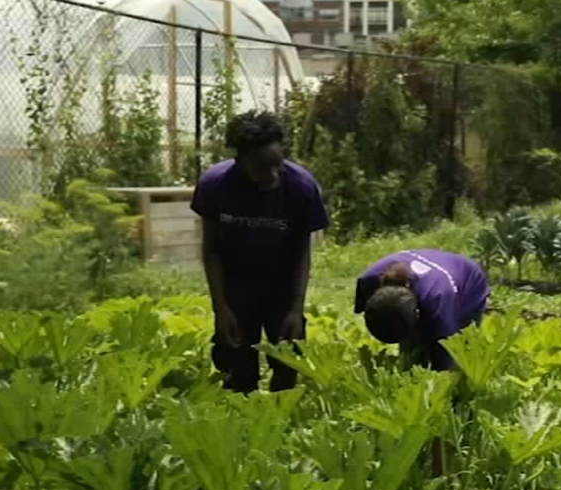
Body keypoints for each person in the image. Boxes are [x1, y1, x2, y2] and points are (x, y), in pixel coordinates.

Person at [191, 110, 330, 394]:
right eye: (263, 167)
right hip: (236, 290)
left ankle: (282, 427)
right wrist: (221, 309)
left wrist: (295, 308)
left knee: (287, 366)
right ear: (240, 160)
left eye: (277, 165)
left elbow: (303, 251)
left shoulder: (301, 187)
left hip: (282, 288)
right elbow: (211, 250)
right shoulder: (215, 185)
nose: (273, 175)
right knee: (237, 371)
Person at [353, 249, 491, 372]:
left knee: (460, 352)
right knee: (411, 354)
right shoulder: (369, 280)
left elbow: (445, 352)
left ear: (417, 313)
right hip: (433, 265)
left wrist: (440, 382)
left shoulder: (437, 300)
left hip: (469, 284)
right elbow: (365, 309)